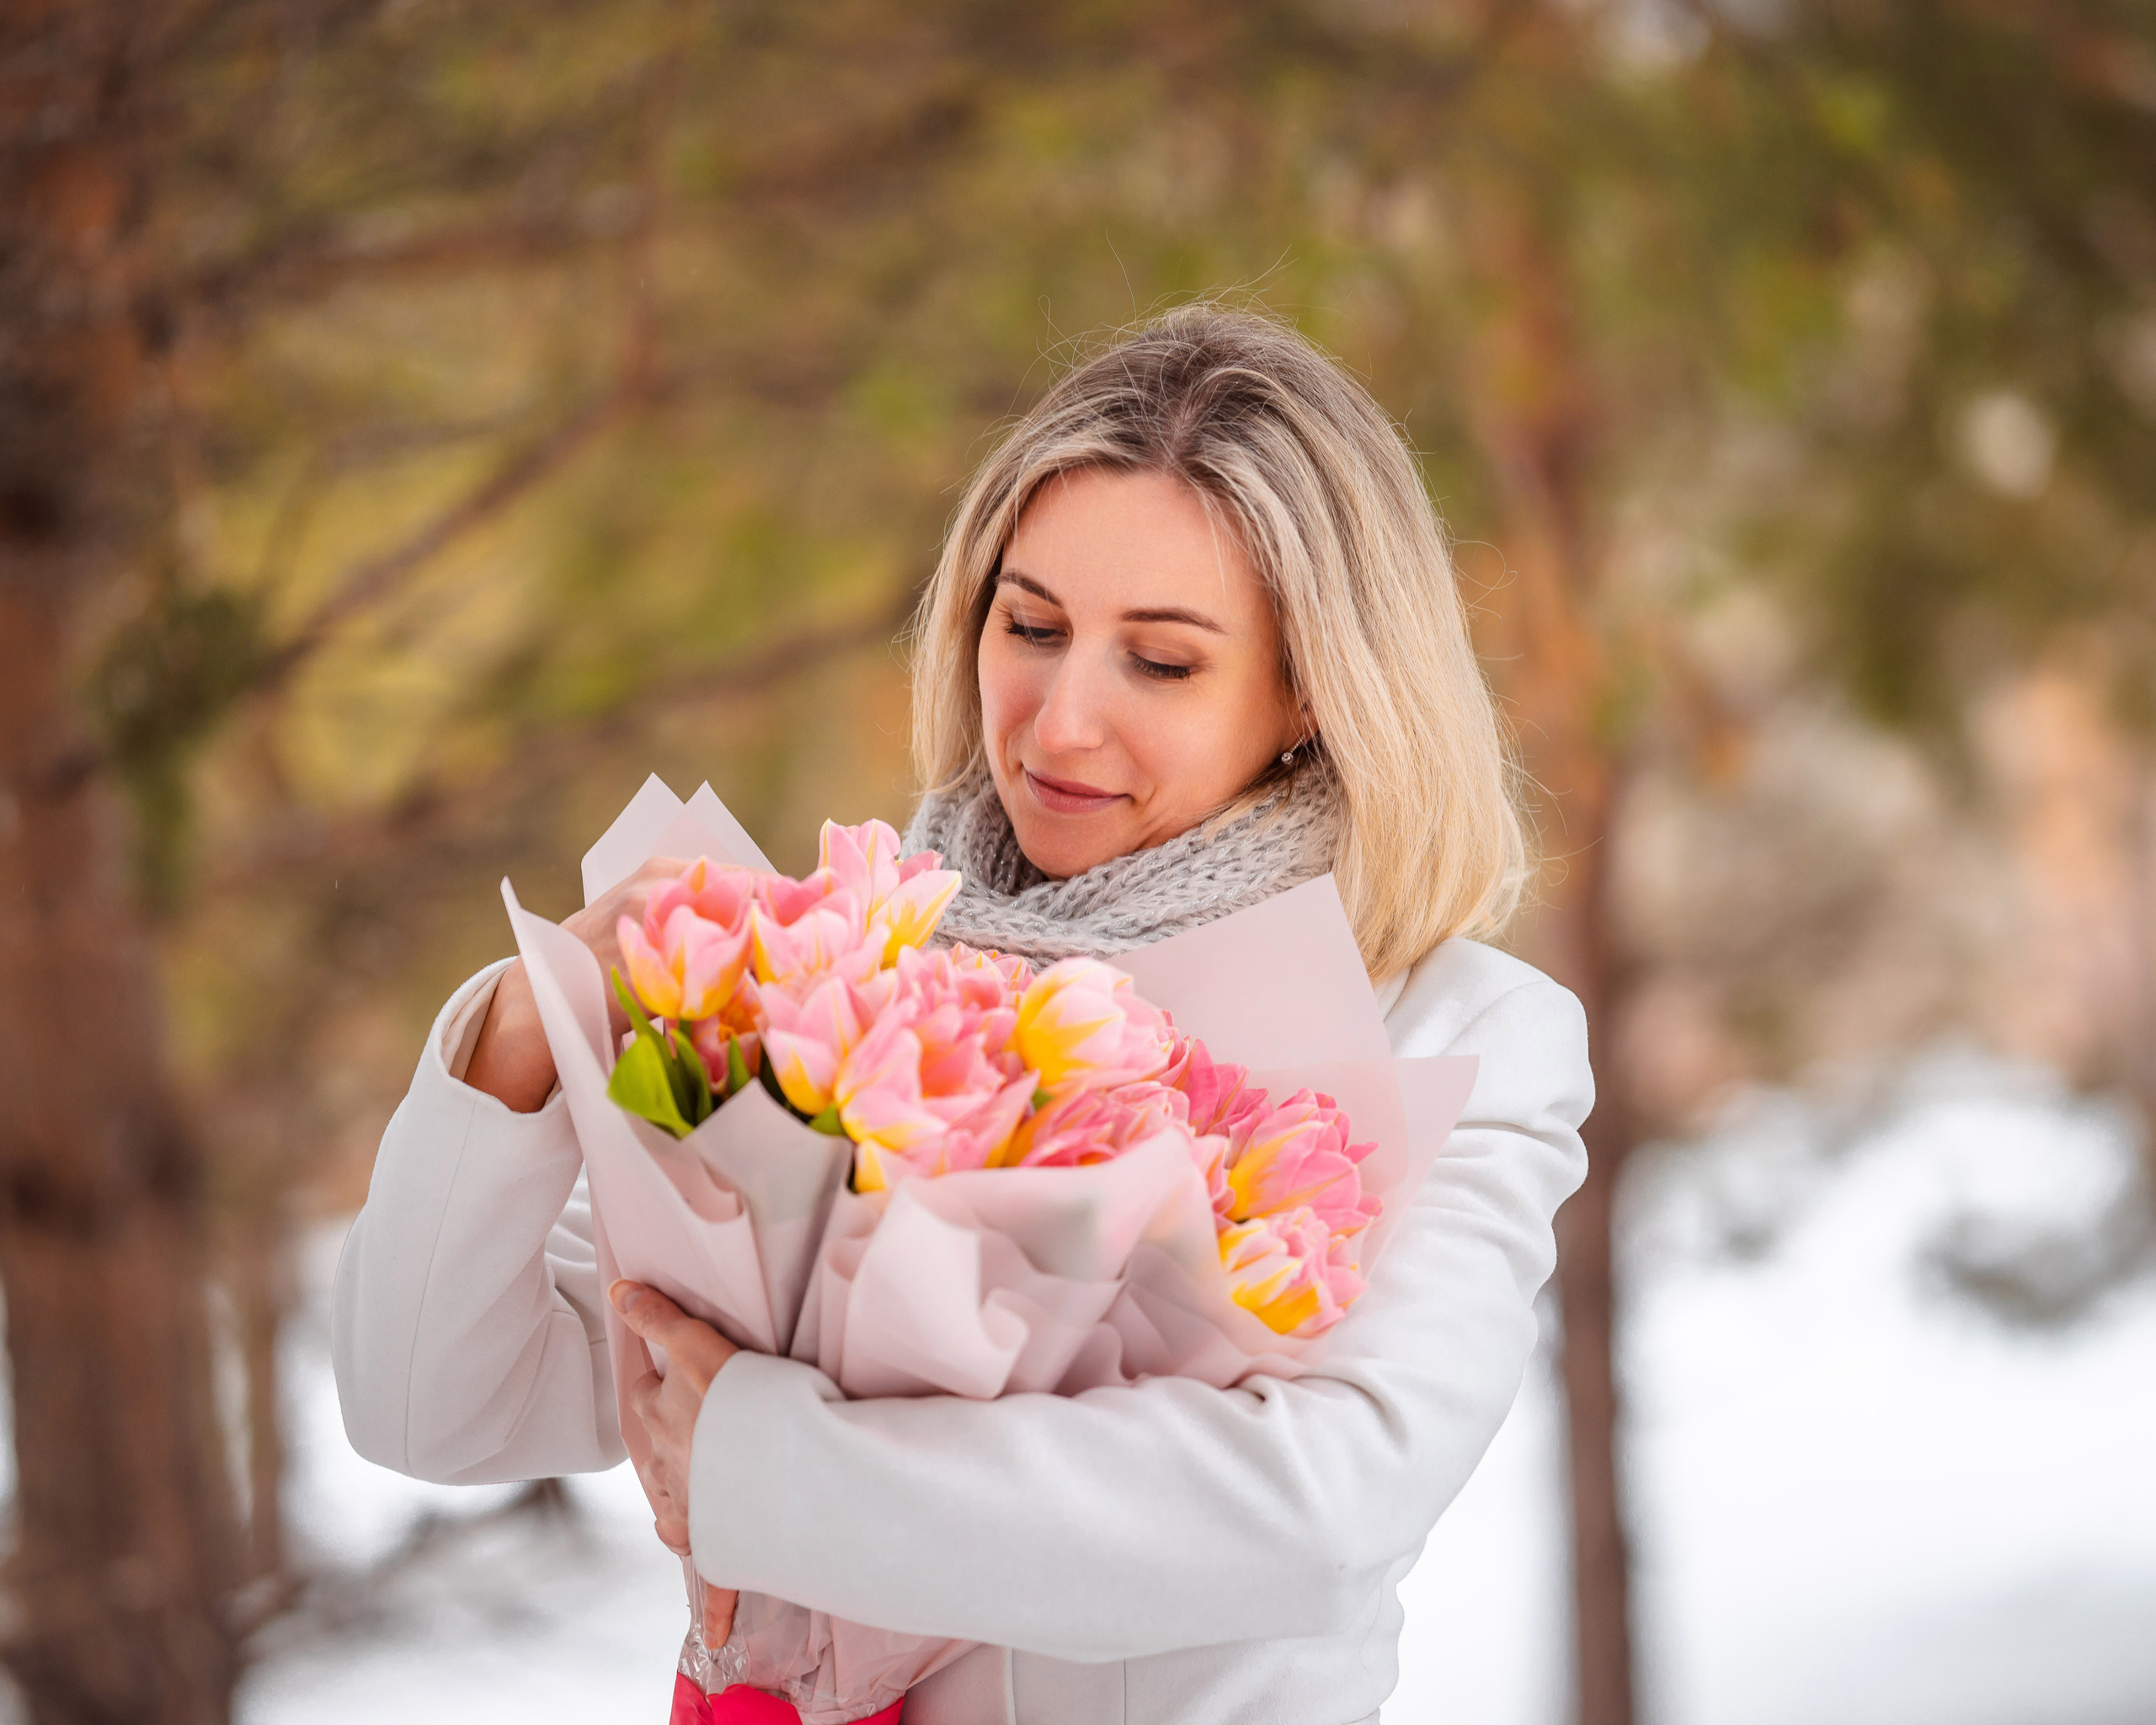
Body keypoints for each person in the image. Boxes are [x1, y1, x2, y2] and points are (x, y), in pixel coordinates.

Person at [333, 303, 1592, 1725]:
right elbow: (432, 1407)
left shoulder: (1461, 1033)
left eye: (1162, 661)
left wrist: (767, 1465)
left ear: (1313, 688)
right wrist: (526, 1031)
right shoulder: (835, 966)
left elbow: (1318, 1509)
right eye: (1031, 626)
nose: (1057, 723)